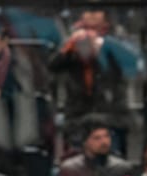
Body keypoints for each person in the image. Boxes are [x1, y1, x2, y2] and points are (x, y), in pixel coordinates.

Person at [47, 11, 140, 160]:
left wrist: (103, 45)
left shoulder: (118, 36)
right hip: (78, 115)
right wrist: (69, 48)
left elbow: (133, 65)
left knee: (113, 160)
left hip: (110, 114)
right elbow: (53, 66)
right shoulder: (72, 37)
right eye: (87, 12)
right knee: (76, 161)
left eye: (96, 11)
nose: (92, 16)